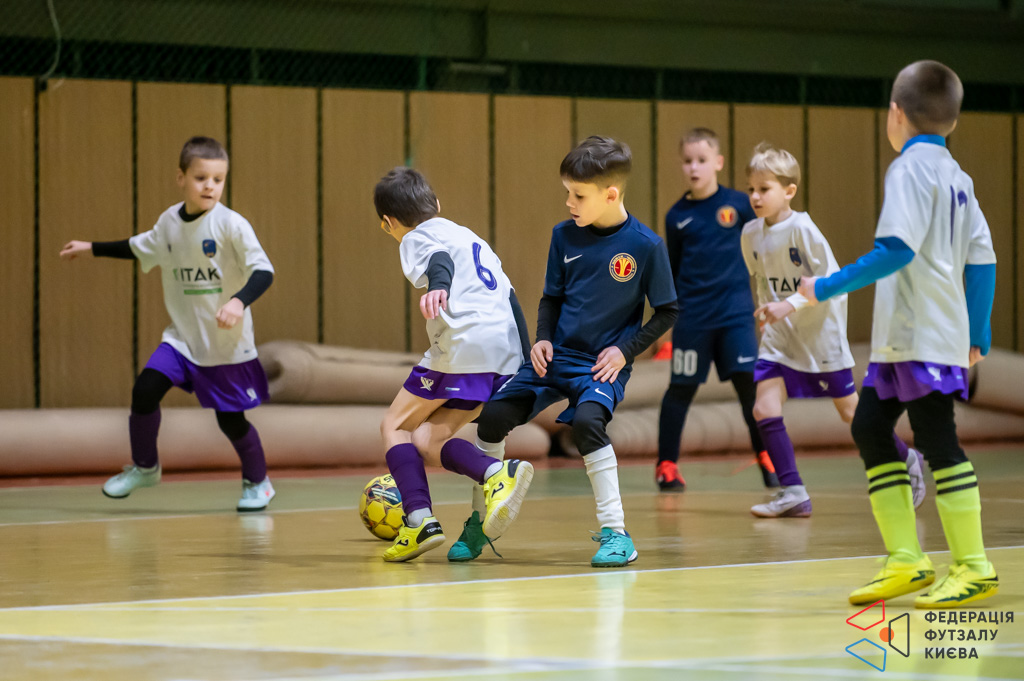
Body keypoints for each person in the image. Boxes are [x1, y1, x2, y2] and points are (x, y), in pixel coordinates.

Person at [799, 60, 999, 607]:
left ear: (895, 114)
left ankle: (974, 566)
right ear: (952, 121)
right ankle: (907, 560)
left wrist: (825, 287)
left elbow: (896, 251)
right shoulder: (957, 176)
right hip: (909, 339)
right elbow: (983, 259)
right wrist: (978, 329)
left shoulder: (909, 170)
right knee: (869, 427)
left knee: (937, 440)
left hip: (922, 335)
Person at [453, 136, 678, 568]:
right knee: (493, 416)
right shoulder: (563, 236)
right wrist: (542, 339)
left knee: (589, 425)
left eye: (578, 195)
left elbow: (668, 311)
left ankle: (616, 533)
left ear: (610, 194)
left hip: (600, 366)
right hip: (556, 357)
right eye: (567, 193)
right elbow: (551, 297)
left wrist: (624, 352)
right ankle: (479, 522)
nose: (569, 203)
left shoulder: (646, 246)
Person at [59, 136, 277, 511]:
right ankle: (145, 467)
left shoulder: (231, 225)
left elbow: (264, 271)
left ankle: (258, 482)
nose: (210, 186)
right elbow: (138, 245)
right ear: (181, 178)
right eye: (201, 178)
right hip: (181, 341)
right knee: (145, 391)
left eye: (218, 179)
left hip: (224, 344)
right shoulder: (169, 223)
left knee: (231, 421)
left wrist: (238, 301)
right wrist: (91, 248)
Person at [741, 142, 923, 519]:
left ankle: (906, 458)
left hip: (819, 334)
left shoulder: (804, 230)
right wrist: (768, 310)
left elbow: (831, 284)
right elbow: (760, 278)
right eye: (751, 189)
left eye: (764, 189)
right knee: (763, 407)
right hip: (779, 338)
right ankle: (793, 492)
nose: (755, 197)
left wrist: (788, 305)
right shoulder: (750, 234)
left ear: (789, 191)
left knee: (850, 412)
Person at [374, 167, 534, 562]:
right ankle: (496, 474)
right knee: (428, 441)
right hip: (505, 353)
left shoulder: (415, 237)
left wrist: (439, 286)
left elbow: (438, 261)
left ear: (388, 223)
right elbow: (511, 297)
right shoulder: (471, 238)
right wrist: (526, 363)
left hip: (463, 347)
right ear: (437, 204)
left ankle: (419, 520)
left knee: (395, 425)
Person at [656, 127, 778, 493]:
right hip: (693, 319)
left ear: (718, 162)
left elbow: (765, 247)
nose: (694, 167)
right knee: (680, 390)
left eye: (702, 160)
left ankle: (769, 459)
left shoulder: (740, 205)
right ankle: (666, 466)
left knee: (750, 390)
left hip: (735, 317)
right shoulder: (676, 216)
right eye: (688, 161)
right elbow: (672, 270)